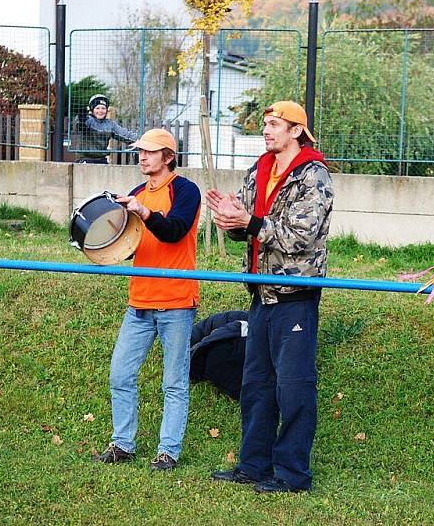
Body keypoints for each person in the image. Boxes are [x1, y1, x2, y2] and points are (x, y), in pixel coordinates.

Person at [205, 101, 334, 493]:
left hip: (295, 297)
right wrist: (230, 220)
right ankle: (253, 465)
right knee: (255, 384)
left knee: (293, 388)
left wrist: (250, 222)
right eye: (266, 124)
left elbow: (300, 237)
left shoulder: (314, 176)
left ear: (296, 131)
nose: (267, 130)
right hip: (261, 297)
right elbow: (247, 228)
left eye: (275, 124)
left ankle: (293, 475)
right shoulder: (259, 169)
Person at [92, 127, 201, 472]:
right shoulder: (136, 193)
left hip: (176, 302)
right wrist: (98, 238)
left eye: (150, 152)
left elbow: (174, 232)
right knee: (120, 375)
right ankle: (123, 444)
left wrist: (144, 212)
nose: (142, 156)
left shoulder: (185, 190)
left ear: (168, 157)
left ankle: (168, 451)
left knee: (174, 382)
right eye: (140, 151)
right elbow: (127, 245)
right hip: (139, 303)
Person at [74, 93, 139, 164]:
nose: (100, 111)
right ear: (92, 109)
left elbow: (125, 134)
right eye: (97, 108)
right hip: (85, 159)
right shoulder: (87, 120)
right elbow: (79, 127)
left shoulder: (110, 124)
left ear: (106, 110)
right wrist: (81, 120)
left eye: (103, 108)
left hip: (101, 159)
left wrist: (141, 139)